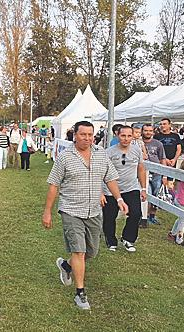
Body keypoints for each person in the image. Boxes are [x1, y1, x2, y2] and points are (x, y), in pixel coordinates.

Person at [43, 121, 128, 310]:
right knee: (79, 252)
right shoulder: (65, 157)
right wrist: (47, 211)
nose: (87, 138)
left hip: (94, 212)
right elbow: (53, 185)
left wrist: (119, 199)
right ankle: (80, 293)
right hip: (71, 210)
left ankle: (66, 266)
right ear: (75, 135)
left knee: (91, 252)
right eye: (83, 135)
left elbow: (110, 178)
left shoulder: (101, 155)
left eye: (90, 135)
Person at [101, 125, 146, 252]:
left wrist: (143, 188)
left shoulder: (137, 150)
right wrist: (101, 192)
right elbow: (101, 172)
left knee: (136, 213)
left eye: (129, 136)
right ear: (117, 135)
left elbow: (141, 169)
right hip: (110, 189)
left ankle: (128, 239)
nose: (126, 139)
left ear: (133, 136)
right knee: (110, 216)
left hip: (131, 187)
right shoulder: (109, 152)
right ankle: (111, 240)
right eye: (123, 135)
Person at [142, 124, 168, 226]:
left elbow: (162, 159)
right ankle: (144, 216)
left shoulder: (158, 144)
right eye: (146, 130)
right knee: (147, 194)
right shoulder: (137, 143)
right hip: (143, 173)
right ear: (142, 131)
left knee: (156, 195)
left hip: (157, 174)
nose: (148, 132)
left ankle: (152, 216)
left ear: (153, 132)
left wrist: (164, 175)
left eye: (150, 131)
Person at [169, 158, 184, 245]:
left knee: (180, 218)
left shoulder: (181, 176)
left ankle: (173, 234)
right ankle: (179, 239)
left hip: (180, 199)